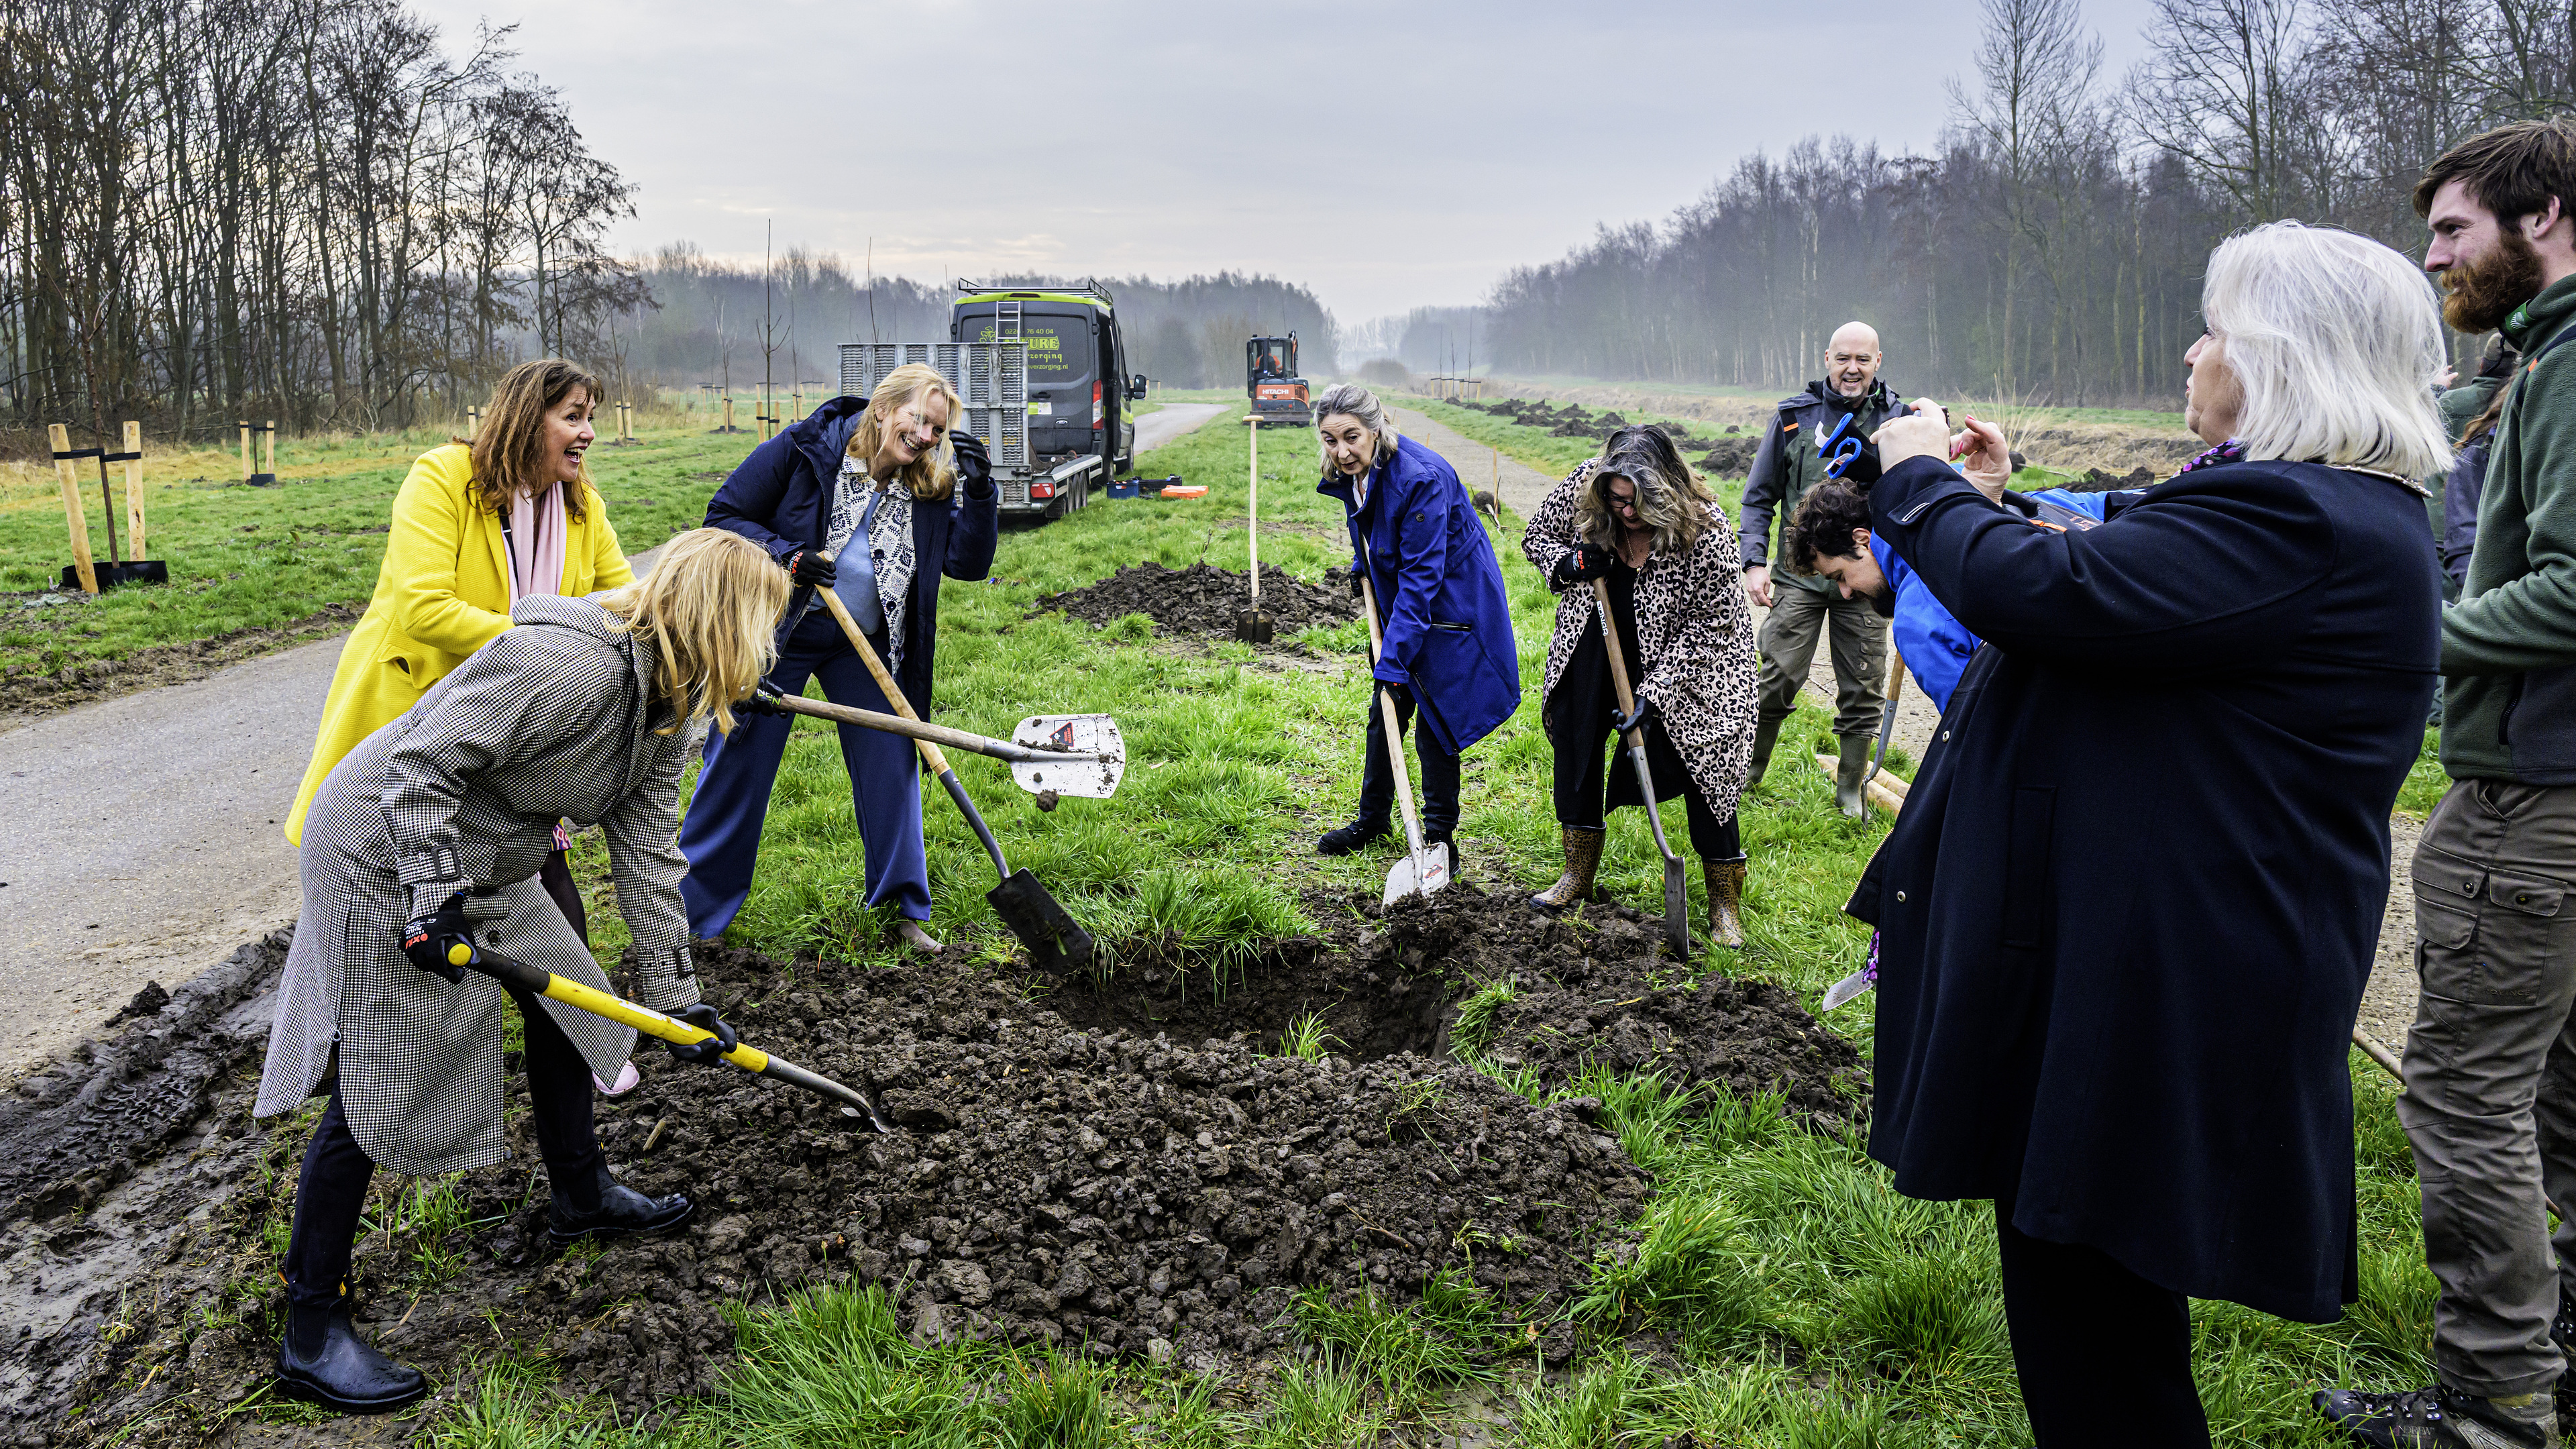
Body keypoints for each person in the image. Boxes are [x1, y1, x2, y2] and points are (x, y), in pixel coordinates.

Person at [1856, 221, 2445, 1448]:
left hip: (2167, 981)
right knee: (2088, 1291)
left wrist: (1914, 481)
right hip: (2155, 961)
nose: (2192, 351)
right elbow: (2129, 569)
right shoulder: (2307, 513)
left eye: (2217, 329)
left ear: (2285, 357)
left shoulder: (2304, 523)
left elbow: (2053, 596)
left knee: (2094, 1324)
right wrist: (1995, 500)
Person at [253, 528, 782, 1414]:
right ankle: (311, 1327)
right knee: (391, 1075)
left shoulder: (667, 707)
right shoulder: (561, 669)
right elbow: (421, 763)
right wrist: (431, 895)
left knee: (574, 1005)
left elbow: (651, 859)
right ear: (725, 622)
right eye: (765, 628)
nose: (768, 651)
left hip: (492, 852)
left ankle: (580, 1193)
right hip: (388, 845)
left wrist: (681, 998)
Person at [2316, 118, 2576, 1449]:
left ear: (2543, 218)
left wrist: (2416, 631)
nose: (2435, 260)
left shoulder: (2573, 367)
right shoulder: (2535, 363)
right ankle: (2557, 1365)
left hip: (2537, 795)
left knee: (2468, 1095)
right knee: (2555, 1099)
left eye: (2455, 232)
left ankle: (2492, 1413)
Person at [285, 359, 635, 945]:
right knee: (378, 914)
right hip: (415, 727)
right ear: (528, 419)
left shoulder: (582, 508)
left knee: (558, 926)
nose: (589, 433)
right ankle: (341, 1031)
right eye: (573, 417)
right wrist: (546, 648)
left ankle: (568, 1034)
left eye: (590, 418)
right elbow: (424, 608)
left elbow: (623, 602)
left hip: (513, 735)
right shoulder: (444, 478)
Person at [678, 363, 996, 955]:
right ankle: (695, 918)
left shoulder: (927, 484)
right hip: (782, 630)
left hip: (867, 643)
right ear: (884, 407)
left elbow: (968, 564)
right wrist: (788, 556)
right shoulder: (805, 448)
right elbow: (723, 516)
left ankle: (902, 908)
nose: (927, 437)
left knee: (893, 752)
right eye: (919, 420)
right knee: (737, 758)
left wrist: (980, 494)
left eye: (937, 429)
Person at [1519, 426, 1756, 945]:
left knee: (1706, 762)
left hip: (1695, 658)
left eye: (1636, 502)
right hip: (1597, 632)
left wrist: (1657, 693)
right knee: (1578, 742)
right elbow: (1537, 535)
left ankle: (1723, 905)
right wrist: (1571, 562)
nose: (1624, 513)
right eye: (1615, 501)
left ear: (1665, 491)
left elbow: (1710, 626)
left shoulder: (1707, 530)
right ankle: (1576, 875)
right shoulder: (1590, 488)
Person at [1311, 382, 1520, 871]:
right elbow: (1365, 520)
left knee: (1435, 719)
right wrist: (1362, 563)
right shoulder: (1355, 470)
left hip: (1453, 604)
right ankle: (1373, 820)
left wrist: (1396, 656)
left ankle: (1441, 840)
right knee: (1384, 709)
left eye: (1351, 437)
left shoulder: (1419, 479)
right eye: (1329, 439)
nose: (1341, 451)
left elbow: (1423, 580)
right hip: (1407, 597)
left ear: (1376, 429)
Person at [1783, 451, 2114, 714]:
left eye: (1840, 576)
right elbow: (2137, 504)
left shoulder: (1919, 619)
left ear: (1862, 540)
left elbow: (1976, 729)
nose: (1845, 592)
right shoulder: (2033, 503)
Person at [1737, 321, 1905, 816]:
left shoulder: (1897, 419)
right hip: (1801, 578)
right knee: (1776, 674)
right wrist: (1752, 562)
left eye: (1863, 359)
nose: (1852, 368)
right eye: (1843, 358)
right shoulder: (1793, 418)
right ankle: (1747, 775)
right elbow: (1758, 497)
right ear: (1827, 358)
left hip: (1867, 577)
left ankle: (1851, 790)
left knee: (1863, 685)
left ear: (1878, 362)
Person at [2438, 334, 2518, 593]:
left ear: (2483, 365)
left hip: (2444, 517)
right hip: (2488, 530)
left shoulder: (2452, 401)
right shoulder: (2515, 405)